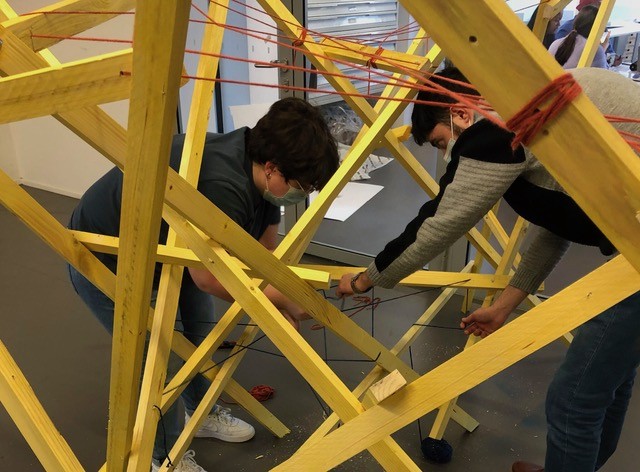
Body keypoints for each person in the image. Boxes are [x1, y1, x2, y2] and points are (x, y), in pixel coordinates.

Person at [336, 67, 640, 472]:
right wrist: (504, 306)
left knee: (573, 399)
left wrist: (364, 280)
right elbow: (557, 225)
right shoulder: (532, 106)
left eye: (443, 143)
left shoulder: (497, 127)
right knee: (607, 378)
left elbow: (440, 223)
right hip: (632, 249)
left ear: (461, 113)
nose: (449, 157)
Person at [68, 97, 339, 471]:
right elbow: (209, 277)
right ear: (272, 168)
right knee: (157, 359)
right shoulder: (222, 183)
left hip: (171, 249)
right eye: (301, 186)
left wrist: (279, 301)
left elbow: (262, 253)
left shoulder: (260, 169)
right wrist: (286, 300)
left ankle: (201, 415)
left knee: (197, 334)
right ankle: (163, 459)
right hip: (108, 255)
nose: (302, 194)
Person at [548, 5, 610, 69]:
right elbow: (603, 73)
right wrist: (603, 49)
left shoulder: (555, 44)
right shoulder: (595, 50)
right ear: (598, 28)